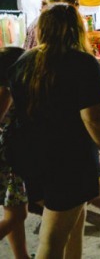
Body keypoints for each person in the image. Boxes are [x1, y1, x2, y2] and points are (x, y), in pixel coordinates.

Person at [7, 3, 100, 258]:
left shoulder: (25, 60)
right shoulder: (82, 62)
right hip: (68, 160)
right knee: (52, 239)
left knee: (73, 222)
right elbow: (93, 117)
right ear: (77, 28)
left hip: (30, 157)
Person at [0, 47, 29, 259]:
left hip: (9, 154)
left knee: (13, 211)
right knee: (18, 213)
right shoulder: (6, 91)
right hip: (8, 156)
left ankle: (22, 257)